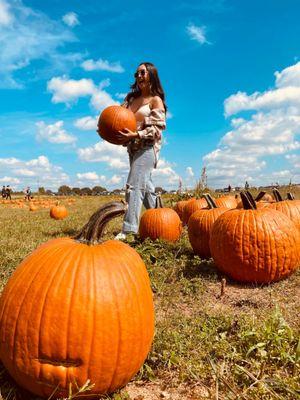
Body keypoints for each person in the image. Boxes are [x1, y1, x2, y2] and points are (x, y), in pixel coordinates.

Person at [114, 62, 167, 239]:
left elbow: (157, 129)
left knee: (134, 185)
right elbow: (116, 119)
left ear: (151, 74)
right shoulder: (130, 99)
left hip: (147, 147)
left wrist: (136, 133)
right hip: (133, 148)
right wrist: (107, 130)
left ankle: (129, 230)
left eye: (142, 72)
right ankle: (165, 221)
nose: (139, 76)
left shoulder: (155, 100)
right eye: (136, 74)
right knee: (147, 188)